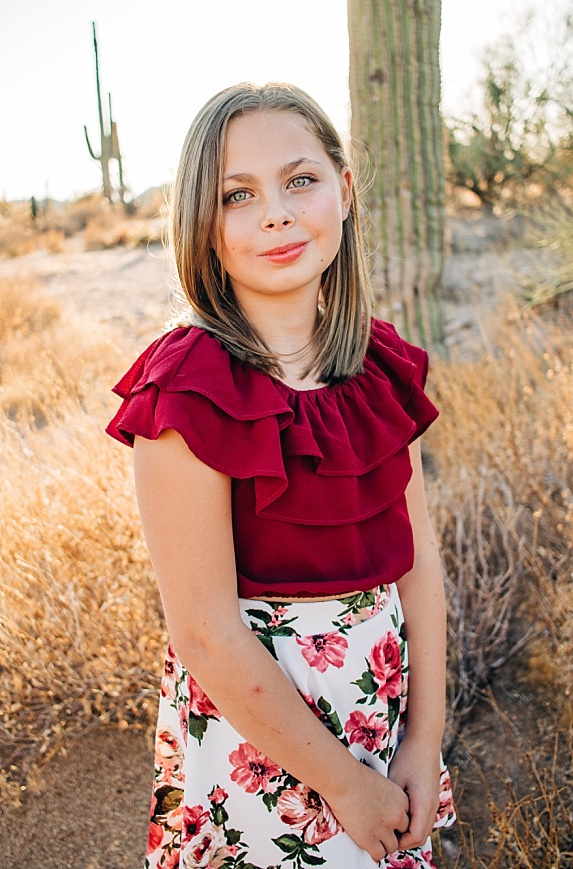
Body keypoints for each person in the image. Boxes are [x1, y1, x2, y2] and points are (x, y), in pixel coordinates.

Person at [106, 83, 456, 869]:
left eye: (300, 179)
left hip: (384, 721)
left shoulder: (377, 363)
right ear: (203, 221)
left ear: (345, 189)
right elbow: (205, 629)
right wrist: (344, 785)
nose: (276, 212)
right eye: (239, 194)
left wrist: (424, 740)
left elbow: (419, 559)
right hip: (259, 747)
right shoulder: (187, 385)